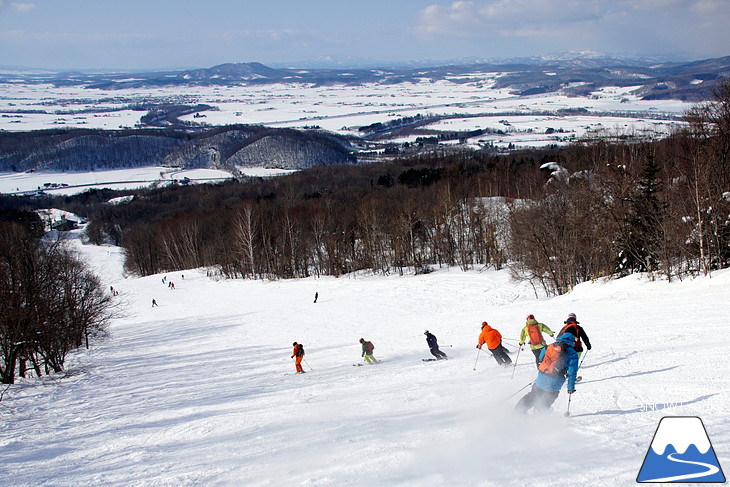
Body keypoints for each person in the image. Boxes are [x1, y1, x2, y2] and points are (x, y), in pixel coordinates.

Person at [514, 332, 579, 414]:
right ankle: (539, 415)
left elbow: (541, 358)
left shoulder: (550, 346)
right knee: (547, 400)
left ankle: (518, 411)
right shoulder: (572, 353)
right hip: (555, 383)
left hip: (541, 378)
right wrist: (570, 387)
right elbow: (572, 371)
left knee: (533, 396)